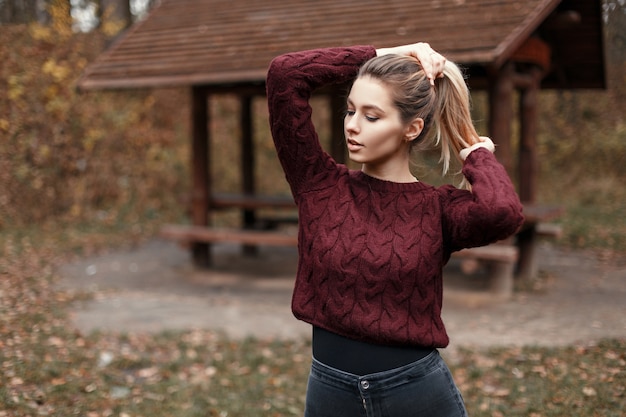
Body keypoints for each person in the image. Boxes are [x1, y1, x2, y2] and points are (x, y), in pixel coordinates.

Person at [266, 42, 524, 417]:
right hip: (329, 393)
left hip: (416, 394)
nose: (352, 125)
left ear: (411, 128)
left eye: (372, 117)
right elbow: (285, 74)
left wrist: (477, 153)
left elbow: (503, 212)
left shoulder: (438, 210)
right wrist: (384, 53)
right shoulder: (318, 185)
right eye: (350, 110)